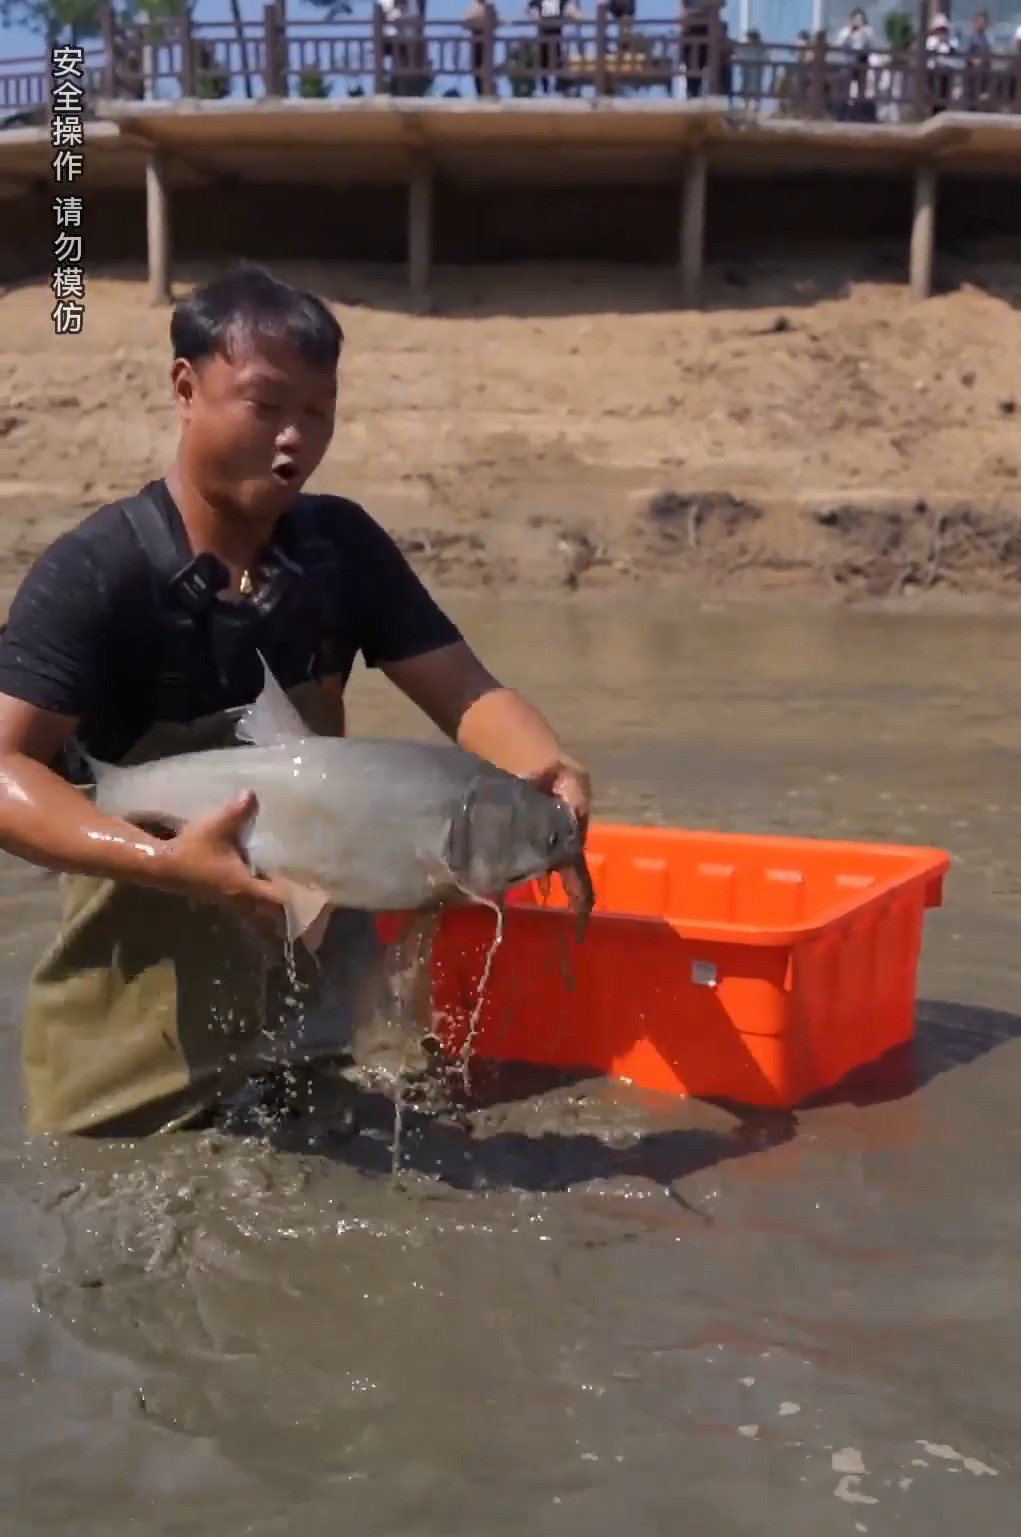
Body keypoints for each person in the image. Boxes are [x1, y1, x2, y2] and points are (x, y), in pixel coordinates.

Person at [0, 263, 591, 1138]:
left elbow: (467, 694)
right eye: (266, 406)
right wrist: (166, 863)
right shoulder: (98, 573)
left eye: (318, 412)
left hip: (310, 1036)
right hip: (131, 1063)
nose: (295, 441)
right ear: (185, 387)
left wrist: (552, 771)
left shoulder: (341, 550)